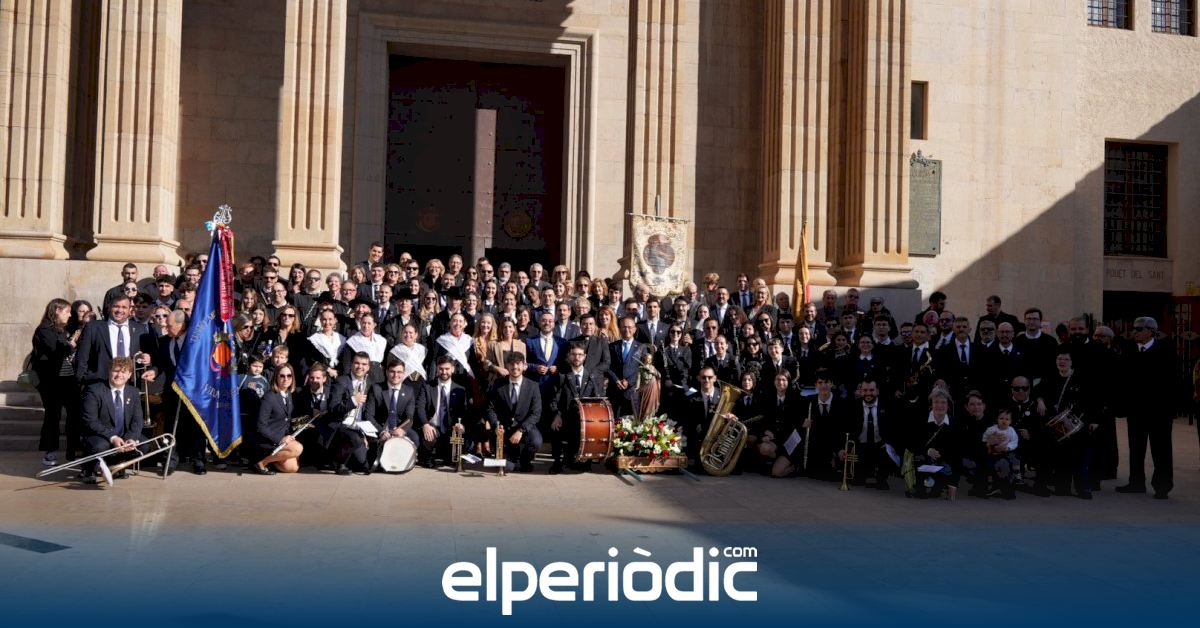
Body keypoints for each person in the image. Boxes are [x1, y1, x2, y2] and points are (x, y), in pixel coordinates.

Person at [1116, 316, 1177, 499]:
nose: (1134, 332)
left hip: (1159, 412)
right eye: (1134, 328)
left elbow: (1174, 382)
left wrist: (1170, 408)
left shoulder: (1166, 351)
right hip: (1136, 411)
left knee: (1161, 450)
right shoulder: (1129, 351)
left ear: (1151, 331)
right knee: (1136, 448)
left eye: (1139, 329)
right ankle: (1136, 482)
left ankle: (1162, 487)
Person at [78, 357, 145, 483]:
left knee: (143, 445)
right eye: (116, 371)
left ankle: (115, 465)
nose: (119, 375)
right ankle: (88, 469)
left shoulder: (133, 392)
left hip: (123, 435)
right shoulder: (94, 390)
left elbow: (137, 420)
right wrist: (112, 437)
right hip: (100, 435)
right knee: (101, 446)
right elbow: (90, 421)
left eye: (123, 372)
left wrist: (131, 438)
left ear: (130, 375)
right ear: (109, 371)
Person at [31, 299, 81, 466]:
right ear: (57, 310)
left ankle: (72, 451)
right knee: (53, 415)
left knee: (74, 414)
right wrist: (71, 344)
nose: (70, 315)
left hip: (67, 379)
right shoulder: (44, 330)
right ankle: (50, 452)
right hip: (51, 381)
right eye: (67, 311)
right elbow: (56, 351)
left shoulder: (61, 330)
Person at [74, 294, 157, 387]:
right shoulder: (93, 327)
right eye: (116, 306)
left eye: (124, 307)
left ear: (130, 310)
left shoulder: (140, 329)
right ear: (109, 308)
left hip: (130, 385)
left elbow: (152, 355)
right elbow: (82, 357)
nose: (120, 310)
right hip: (99, 383)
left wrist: (148, 359)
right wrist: (83, 379)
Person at [548, 343, 606, 474]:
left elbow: (597, 400)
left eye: (580, 354)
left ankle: (583, 459)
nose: (577, 357)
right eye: (574, 354)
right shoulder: (562, 376)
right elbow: (554, 399)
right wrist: (557, 415)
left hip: (585, 419)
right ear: (569, 356)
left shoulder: (591, 377)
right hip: (565, 416)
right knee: (555, 427)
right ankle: (557, 462)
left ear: (584, 357)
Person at [484, 352, 543, 472]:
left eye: (518, 364)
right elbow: (490, 408)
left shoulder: (533, 386)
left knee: (536, 441)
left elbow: (536, 413)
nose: (515, 367)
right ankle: (512, 459)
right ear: (507, 366)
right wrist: (496, 425)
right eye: (511, 364)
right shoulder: (498, 384)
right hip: (504, 430)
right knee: (507, 467)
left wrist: (521, 430)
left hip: (525, 427)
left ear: (524, 366)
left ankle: (525, 461)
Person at [358, 359, 418, 474]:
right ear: (386, 372)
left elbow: (409, 417)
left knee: (415, 438)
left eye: (399, 372)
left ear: (404, 373)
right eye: (392, 371)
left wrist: (402, 430)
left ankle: (400, 463)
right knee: (366, 460)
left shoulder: (409, 391)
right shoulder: (376, 388)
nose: (395, 375)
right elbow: (369, 415)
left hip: (398, 428)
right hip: (379, 429)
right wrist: (381, 431)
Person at [838, 379, 897, 490]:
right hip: (860, 446)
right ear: (860, 391)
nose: (868, 393)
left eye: (871, 390)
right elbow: (843, 429)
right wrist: (841, 448)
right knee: (858, 481)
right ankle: (862, 473)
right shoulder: (852, 406)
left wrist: (889, 444)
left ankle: (881, 477)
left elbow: (893, 429)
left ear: (877, 391)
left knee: (888, 451)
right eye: (865, 390)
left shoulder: (888, 405)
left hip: (880, 446)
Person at [905, 387, 959, 500]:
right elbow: (910, 442)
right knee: (920, 492)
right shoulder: (920, 420)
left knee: (944, 474)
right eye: (936, 402)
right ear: (931, 405)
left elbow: (956, 449)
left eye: (943, 402)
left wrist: (953, 483)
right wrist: (927, 451)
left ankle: (938, 485)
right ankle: (919, 486)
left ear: (948, 406)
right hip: (921, 459)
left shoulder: (954, 424)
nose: (940, 405)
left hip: (942, 461)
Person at [416, 356, 469, 469]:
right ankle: (428, 458)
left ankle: (445, 456)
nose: (444, 372)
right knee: (428, 454)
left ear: (453, 369)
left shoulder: (460, 390)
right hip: (432, 427)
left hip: (451, 429)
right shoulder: (427, 386)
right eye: (441, 369)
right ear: (437, 369)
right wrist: (425, 424)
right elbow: (420, 408)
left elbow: (464, 411)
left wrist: (461, 424)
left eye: (447, 369)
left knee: (452, 459)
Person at [253, 364, 303, 475]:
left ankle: (272, 461)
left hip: (283, 440)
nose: (286, 379)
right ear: (276, 377)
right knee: (298, 448)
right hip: (269, 441)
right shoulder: (269, 397)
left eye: (289, 376)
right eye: (282, 376)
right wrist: (280, 439)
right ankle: (261, 463)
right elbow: (260, 426)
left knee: (293, 468)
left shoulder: (289, 394)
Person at [607, 316, 643, 417]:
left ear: (634, 329)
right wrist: (616, 380)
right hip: (615, 391)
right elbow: (608, 366)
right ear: (619, 328)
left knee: (633, 422)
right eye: (624, 327)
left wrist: (629, 381)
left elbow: (642, 369)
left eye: (629, 327)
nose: (627, 330)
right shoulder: (612, 346)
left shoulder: (641, 347)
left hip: (632, 392)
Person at [982, 409, 1019, 500]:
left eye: (1007, 419)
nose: (1004, 421)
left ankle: (1010, 486)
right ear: (997, 419)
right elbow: (984, 438)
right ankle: (993, 485)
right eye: (1001, 418)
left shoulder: (1011, 430)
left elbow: (1014, 442)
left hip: (1006, 452)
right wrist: (989, 442)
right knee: (992, 466)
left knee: (1010, 462)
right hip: (993, 452)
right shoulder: (992, 429)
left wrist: (1008, 447)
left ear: (1010, 421)